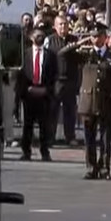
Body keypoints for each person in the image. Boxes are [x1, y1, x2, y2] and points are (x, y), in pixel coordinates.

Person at [59, 23, 111, 180]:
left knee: (105, 137)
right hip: (88, 101)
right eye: (93, 36)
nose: (95, 39)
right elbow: (62, 54)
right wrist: (79, 43)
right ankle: (91, 167)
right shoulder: (85, 54)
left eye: (98, 36)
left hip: (106, 101)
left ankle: (104, 168)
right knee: (89, 138)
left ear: (105, 37)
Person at [15, 26, 58, 161]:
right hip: (28, 94)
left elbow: (54, 74)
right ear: (31, 37)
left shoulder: (50, 55)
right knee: (27, 125)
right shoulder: (24, 54)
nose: (40, 37)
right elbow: (20, 74)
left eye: (42, 35)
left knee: (44, 125)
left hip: (44, 94)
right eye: (37, 35)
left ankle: (45, 151)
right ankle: (26, 151)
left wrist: (47, 90)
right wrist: (25, 90)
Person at [47, 14, 81, 146]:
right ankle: (50, 137)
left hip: (70, 80)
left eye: (65, 24)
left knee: (70, 111)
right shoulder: (50, 40)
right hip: (56, 80)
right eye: (60, 24)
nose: (63, 27)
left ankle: (70, 136)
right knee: (53, 111)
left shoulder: (74, 40)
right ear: (55, 26)